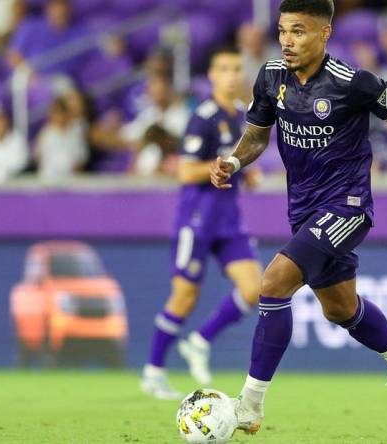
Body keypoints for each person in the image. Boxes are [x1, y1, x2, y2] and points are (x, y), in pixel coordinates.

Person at [209, 0, 387, 434]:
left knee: (273, 282)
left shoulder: (353, 82)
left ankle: (250, 406)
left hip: (347, 206)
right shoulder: (272, 76)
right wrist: (233, 163)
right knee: (340, 309)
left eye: (299, 31)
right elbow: (256, 136)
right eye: (283, 31)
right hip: (305, 210)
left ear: (324, 34)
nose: (287, 41)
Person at [140, 46, 264, 400]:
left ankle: (200, 341)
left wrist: (244, 174)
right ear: (211, 75)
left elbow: (239, 161)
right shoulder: (203, 117)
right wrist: (216, 166)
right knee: (184, 295)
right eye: (224, 68)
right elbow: (185, 170)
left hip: (229, 220)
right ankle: (153, 371)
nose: (231, 75)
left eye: (237, 68)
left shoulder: (243, 116)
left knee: (255, 287)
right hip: (198, 219)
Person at [35, 97, 88, 181]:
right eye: (54, 113)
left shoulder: (76, 133)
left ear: (66, 113)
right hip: (48, 179)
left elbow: (80, 160)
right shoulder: (45, 134)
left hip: (70, 179)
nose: (57, 117)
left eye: (60, 113)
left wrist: (75, 179)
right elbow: (38, 158)